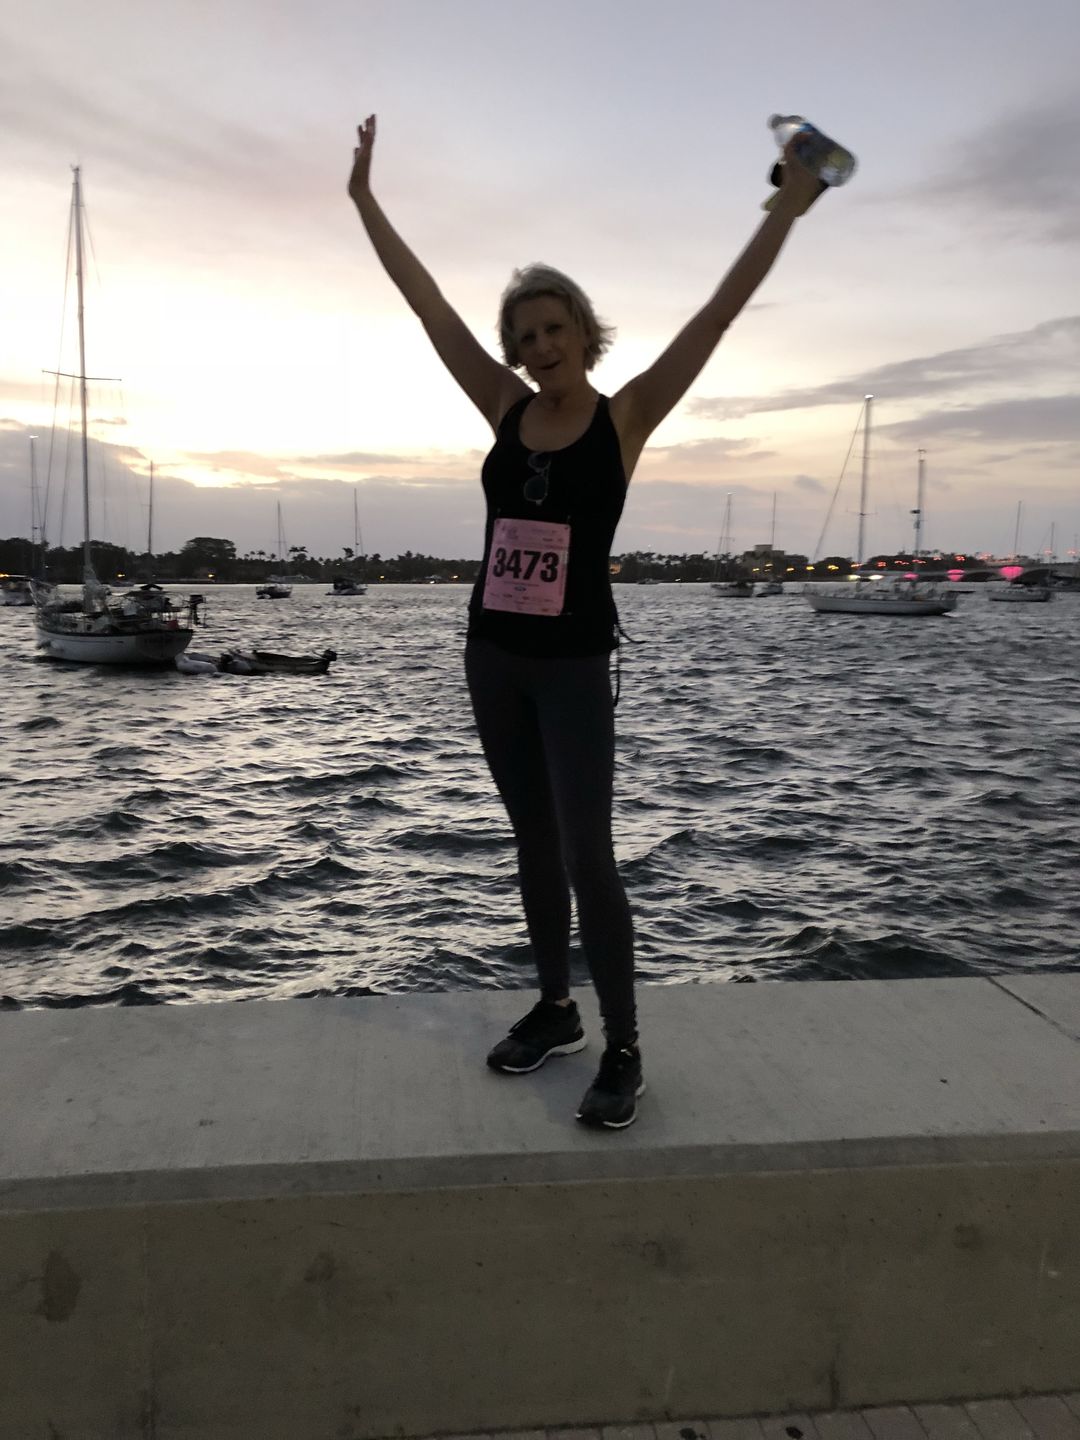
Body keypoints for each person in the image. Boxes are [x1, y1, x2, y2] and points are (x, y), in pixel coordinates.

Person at [348, 114, 824, 1128]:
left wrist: (786, 211)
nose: (538, 348)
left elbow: (718, 313)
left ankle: (624, 1045)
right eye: (524, 337)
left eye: (552, 329)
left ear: (583, 330)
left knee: (587, 856)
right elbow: (428, 306)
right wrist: (364, 201)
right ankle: (556, 1010)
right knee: (530, 841)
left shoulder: (627, 416)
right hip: (493, 655)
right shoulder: (504, 409)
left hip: (571, 664)